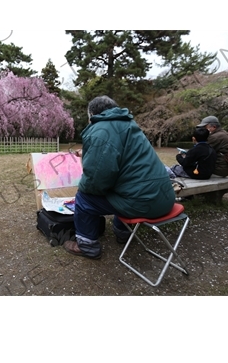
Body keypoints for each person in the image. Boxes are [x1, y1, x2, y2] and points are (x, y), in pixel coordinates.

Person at [63, 95, 176, 260]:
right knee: (122, 191)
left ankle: (87, 246)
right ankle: (123, 234)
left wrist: (86, 187)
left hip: (143, 203)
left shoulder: (101, 130)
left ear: (92, 114)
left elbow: (96, 179)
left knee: (84, 197)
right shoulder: (129, 125)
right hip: (165, 199)